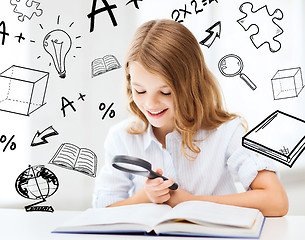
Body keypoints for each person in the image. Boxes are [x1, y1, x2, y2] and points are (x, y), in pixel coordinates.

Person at [93, 19, 288, 217]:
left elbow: (276, 201)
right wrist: (146, 196)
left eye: (166, 92)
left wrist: (192, 202)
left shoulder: (227, 131)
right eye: (140, 90)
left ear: (191, 85)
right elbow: (101, 212)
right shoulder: (121, 137)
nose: (151, 104)